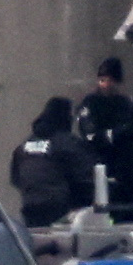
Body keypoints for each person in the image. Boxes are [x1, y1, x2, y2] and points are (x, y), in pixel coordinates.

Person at [73, 55, 133, 212]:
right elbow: (91, 135)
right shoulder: (90, 103)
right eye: (102, 80)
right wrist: (118, 133)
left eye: (110, 81)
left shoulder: (125, 103)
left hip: (127, 168)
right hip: (103, 165)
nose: (106, 85)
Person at [9, 94, 87, 229]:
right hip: (60, 211)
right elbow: (85, 177)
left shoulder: (24, 146)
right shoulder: (67, 142)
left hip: (30, 208)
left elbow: (15, 178)